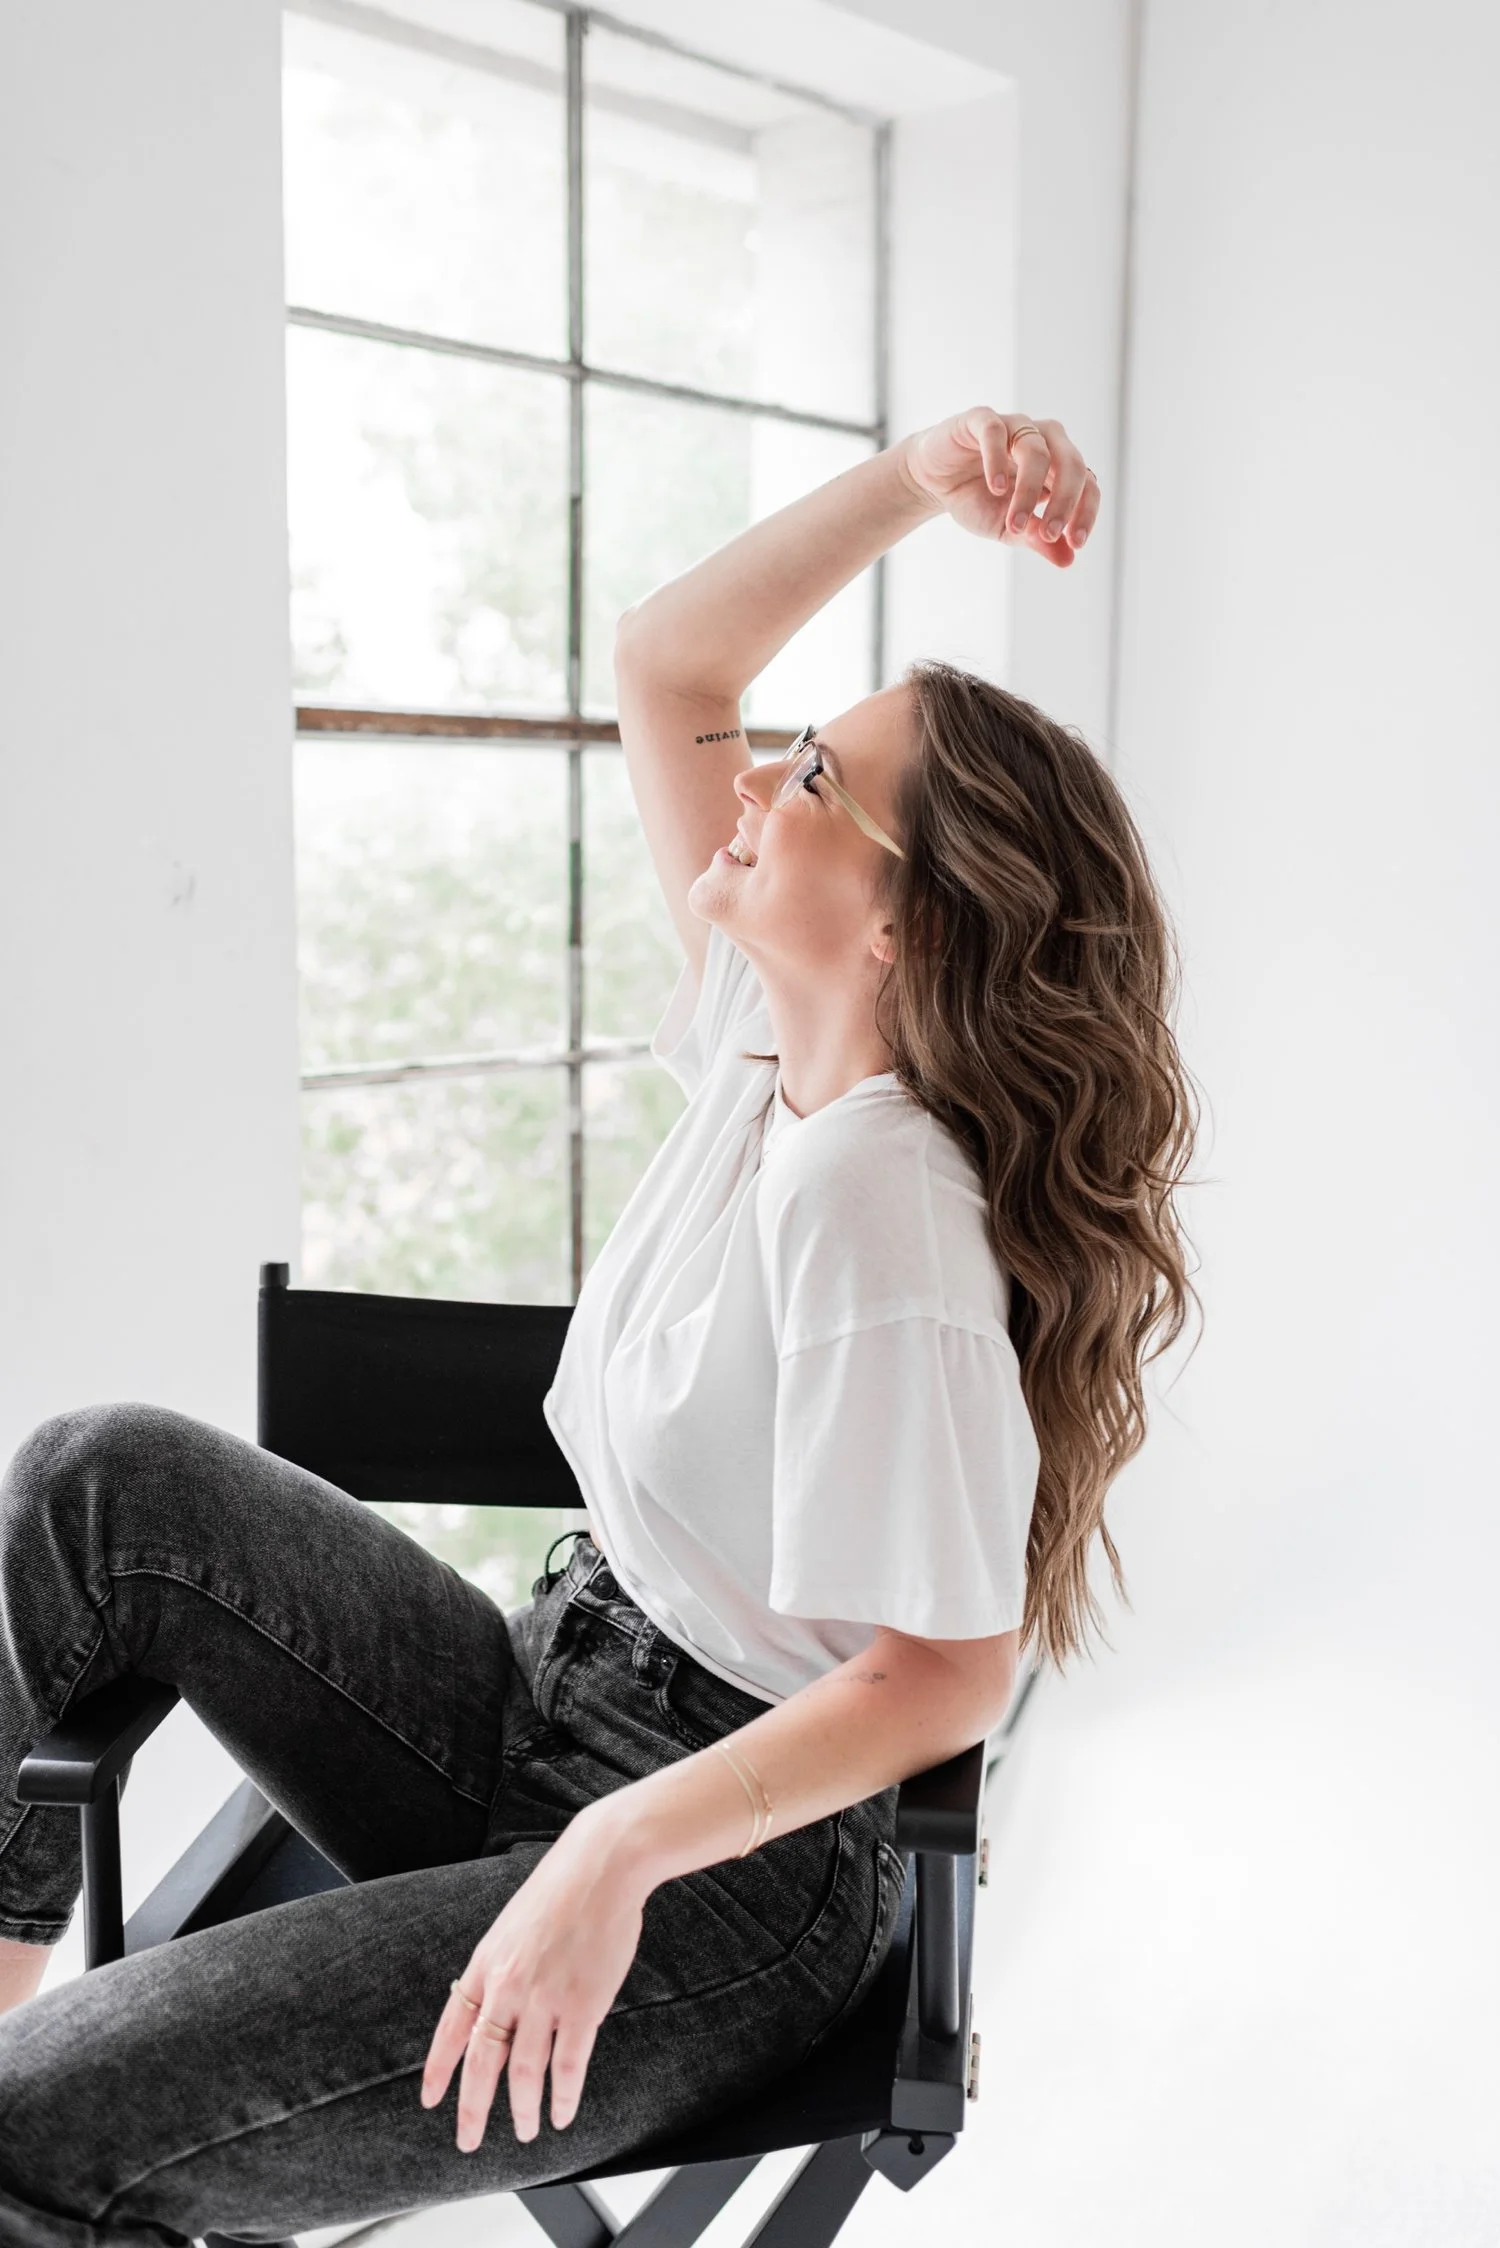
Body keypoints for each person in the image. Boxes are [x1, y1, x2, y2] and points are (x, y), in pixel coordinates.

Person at [0, 406, 1197, 2244]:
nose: (754, 773)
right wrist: (917, 480)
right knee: (98, 1486)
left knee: (44, 2135)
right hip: (553, 1686)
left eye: (812, 780)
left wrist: (611, 1851)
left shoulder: (884, 1205)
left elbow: (951, 1674)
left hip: (730, 1879)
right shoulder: (761, 1035)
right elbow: (671, 658)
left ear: (899, 930)